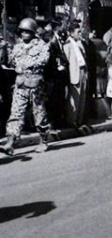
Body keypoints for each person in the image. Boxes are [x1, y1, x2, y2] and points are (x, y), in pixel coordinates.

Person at [0, 18, 51, 156]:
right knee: (16, 113)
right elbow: (11, 61)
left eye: (27, 32)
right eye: (22, 32)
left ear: (33, 32)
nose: (24, 34)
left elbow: (44, 60)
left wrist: (28, 65)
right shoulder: (18, 46)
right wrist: (5, 51)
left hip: (35, 85)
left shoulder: (41, 45)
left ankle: (43, 140)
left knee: (39, 114)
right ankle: (10, 143)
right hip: (21, 84)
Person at [63, 23, 89, 128]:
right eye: (78, 32)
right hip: (74, 73)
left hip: (82, 71)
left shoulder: (79, 44)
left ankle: (79, 120)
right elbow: (66, 62)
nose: (80, 34)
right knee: (74, 98)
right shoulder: (68, 44)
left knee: (82, 97)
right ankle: (72, 121)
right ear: (71, 33)